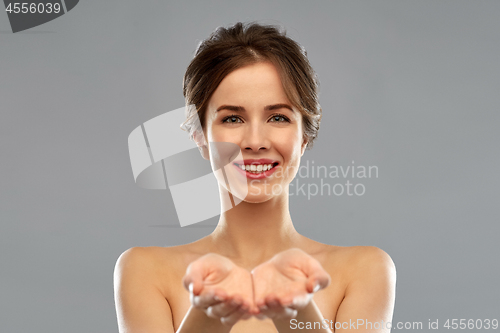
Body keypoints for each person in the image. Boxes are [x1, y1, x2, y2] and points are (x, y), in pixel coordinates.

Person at [114, 22, 396, 333]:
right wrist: (208, 312)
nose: (255, 140)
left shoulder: (364, 270)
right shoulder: (144, 271)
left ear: (304, 136)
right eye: (232, 118)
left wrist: (297, 310)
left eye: (278, 117)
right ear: (200, 137)